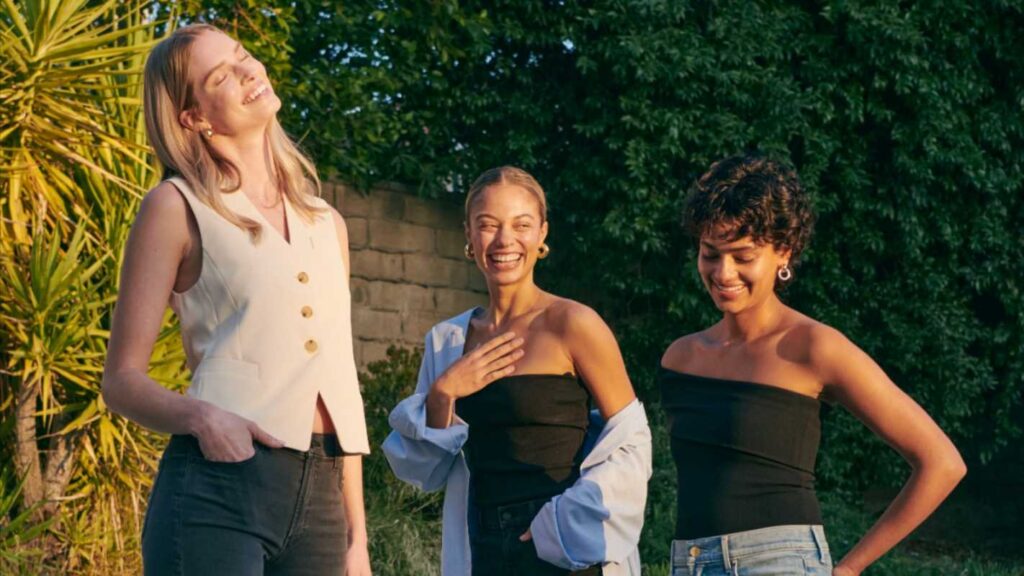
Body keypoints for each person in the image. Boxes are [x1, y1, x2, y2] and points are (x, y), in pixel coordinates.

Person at [101, 24, 371, 575]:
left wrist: (357, 537)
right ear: (193, 117)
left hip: (320, 497)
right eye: (222, 75)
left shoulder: (327, 223)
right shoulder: (174, 206)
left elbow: (339, 381)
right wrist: (201, 418)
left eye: (243, 57)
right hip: (218, 490)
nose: (250, 71)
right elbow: (121, 380)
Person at [659, 153, 967, 576]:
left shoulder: (813, 347)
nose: (723, 272)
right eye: (710, 253)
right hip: (688, 564)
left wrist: (849, 569)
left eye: (743, 256)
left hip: (779, 562)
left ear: (783, 253)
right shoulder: (681, 358)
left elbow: (941, 462)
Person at [383, 166, 652, 576]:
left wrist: (563, 519)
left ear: (542, 233)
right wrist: (443, 394)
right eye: (487, 225)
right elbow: (427, 470)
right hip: (483, 546)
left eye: (521, 225)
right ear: (469, 238)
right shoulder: (447, 340)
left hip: (564, 545)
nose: (504, 240)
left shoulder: (573, 323)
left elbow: (632, 441)